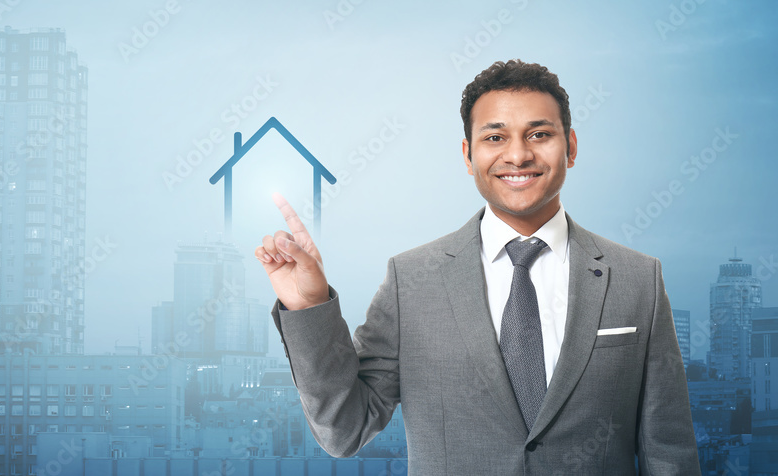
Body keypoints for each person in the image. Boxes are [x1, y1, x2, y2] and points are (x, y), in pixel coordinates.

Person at [255, 59, 699, 474]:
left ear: (572, 146)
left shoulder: (637, 278)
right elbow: (345, 429)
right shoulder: (411, 281)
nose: (519, 155)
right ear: (468, 155)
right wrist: (309, 304)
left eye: (539, 134)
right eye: (495, 137)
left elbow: (669, 452)